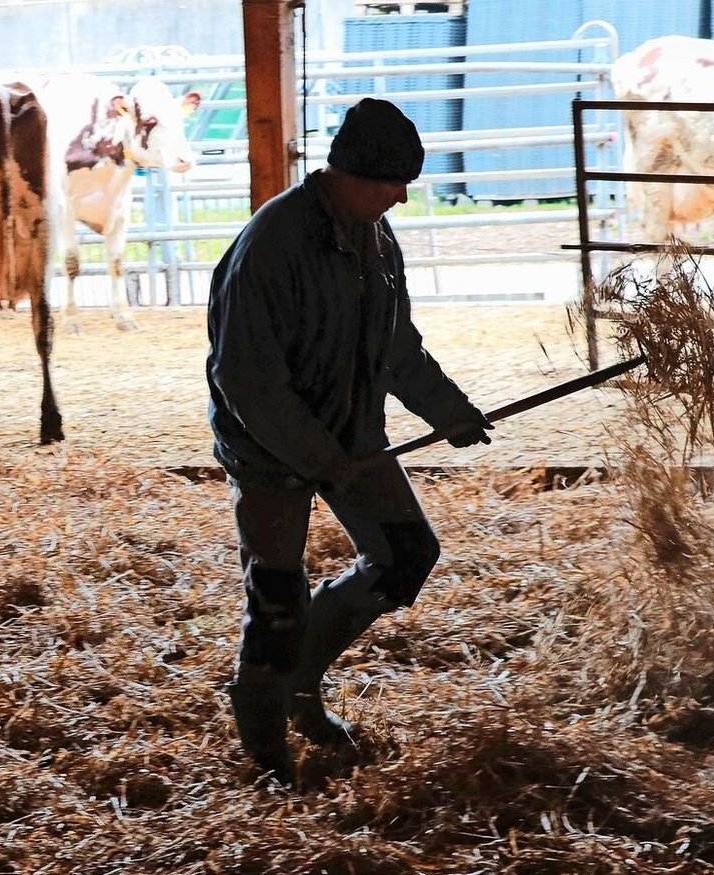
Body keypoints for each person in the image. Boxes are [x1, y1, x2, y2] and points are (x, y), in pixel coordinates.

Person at [205, 97, 494, 784]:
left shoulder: (374, 237)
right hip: (270, 449)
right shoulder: (273, 246)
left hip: (352, 432)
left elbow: (397, 345)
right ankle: (266, 748)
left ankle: (300, 682)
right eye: (392, 183)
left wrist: (447, 411)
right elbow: (246, 380)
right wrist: (321, 459)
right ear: (351, 174)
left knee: (406, 553)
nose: (401, 198)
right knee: (277, 599)